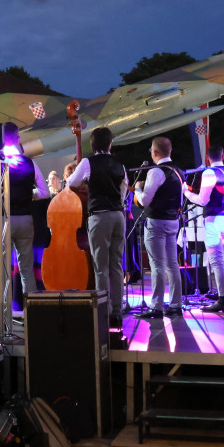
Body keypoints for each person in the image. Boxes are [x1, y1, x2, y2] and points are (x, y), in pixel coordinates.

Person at [67, 126, 128, 326]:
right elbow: (123, 189)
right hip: (118, 215)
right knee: (116, 266)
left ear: (92, 144)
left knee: (100, 268)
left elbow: (71, 182)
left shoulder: (88, 162)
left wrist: (86, 184)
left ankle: (104, 311)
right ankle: (117, 311)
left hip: (99, 216)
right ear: (110, 144)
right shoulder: (119, 164)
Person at [0, 122, 49, 298]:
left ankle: (3, 308)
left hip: (4, 219)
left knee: (2, 267)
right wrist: (29, 194)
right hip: (25, 219)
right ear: (18, 138)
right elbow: (45, 192)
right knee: (26, 267)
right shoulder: (30, 163)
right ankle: (30, 307)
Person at [184, 145, 224, 313]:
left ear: (208, 159)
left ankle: (223, 299)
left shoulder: (209, 173)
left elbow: (203, 200)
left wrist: (187, 193)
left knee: (217, 260)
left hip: (213, 220)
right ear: (223, 156)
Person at [133, 136, 185, 319]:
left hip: (156, 221)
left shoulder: (156, 172)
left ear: (154, 152)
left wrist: (138, 189)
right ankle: (176, 304)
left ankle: (156, 306)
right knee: (172, 263)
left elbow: (145, 200)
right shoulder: (178, 171)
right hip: (173, 221)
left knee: (157, 265)